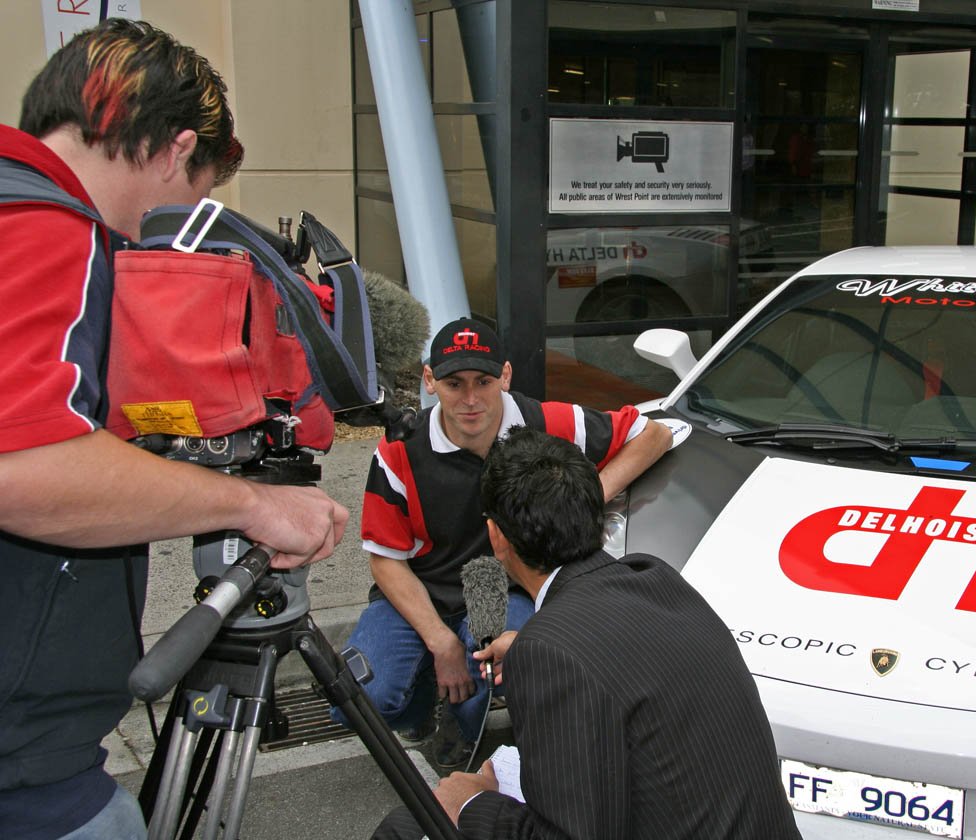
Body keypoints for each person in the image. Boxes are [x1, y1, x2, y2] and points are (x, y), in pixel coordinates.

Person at [0, 21, 348, 839]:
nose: (182, 222)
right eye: (196, 190)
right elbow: (24, 466)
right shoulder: (49, 227)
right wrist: (252, 506)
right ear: (174, 148)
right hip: (25, 771)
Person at [410, 427, 799, 839]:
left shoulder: (552, 651)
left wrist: (472, 803)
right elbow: (625, 652)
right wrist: (532, 650)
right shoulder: (654, 576)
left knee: (409, 824)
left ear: (496, 536)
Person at [339, 317, 672, 768]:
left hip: (495, 585)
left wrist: (585, 494)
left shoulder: (541, 421)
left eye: (485, 381)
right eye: (455, 383)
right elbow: (386, 561)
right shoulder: (400, 448)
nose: (471, 399)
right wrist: (441, 643)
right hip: (421, 585)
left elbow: (654, 433)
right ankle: (419, 711)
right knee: (357, 698)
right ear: (429, 380)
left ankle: (467, 729)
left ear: (507, 376)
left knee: (501, 667)